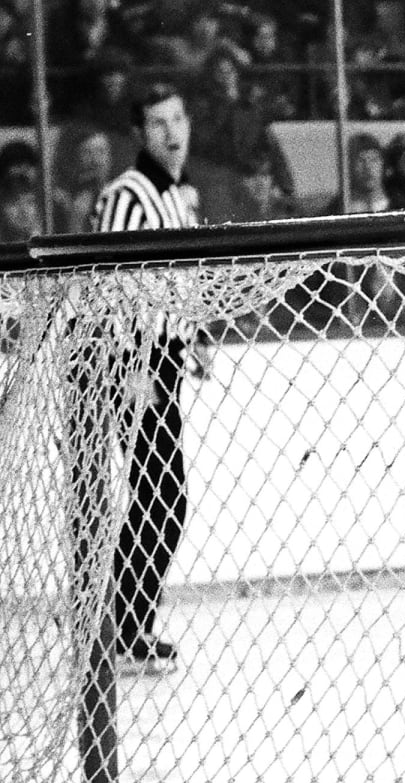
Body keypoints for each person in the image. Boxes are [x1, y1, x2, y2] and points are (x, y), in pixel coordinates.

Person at [85, 81, 202, 672]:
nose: (172, 131)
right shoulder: (127, 195)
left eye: (178, 117)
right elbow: (107, 289)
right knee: (163, 496)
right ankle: (122, 627)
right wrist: (130, 368)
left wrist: (193, 334)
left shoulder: (178, 197)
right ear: (138, 134)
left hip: (161, 357)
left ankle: (122, 624)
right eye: (157, 122)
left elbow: (171, 282)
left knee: (158, 497)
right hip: (132, 361)